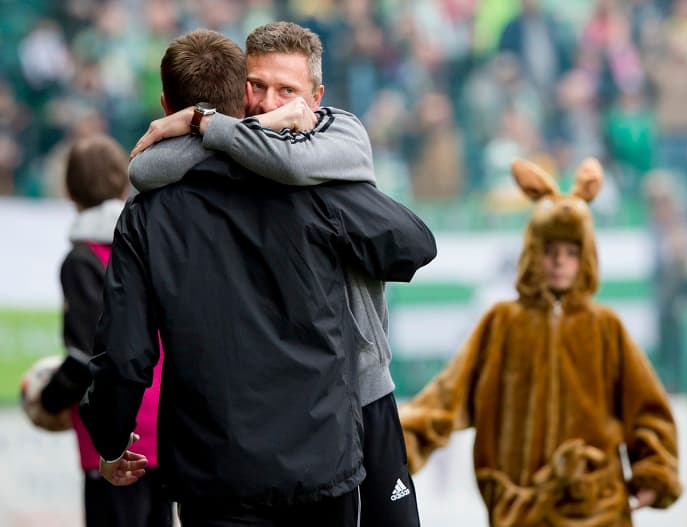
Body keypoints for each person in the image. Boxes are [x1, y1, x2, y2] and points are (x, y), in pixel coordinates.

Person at [78, 28, 437, 527]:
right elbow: (412, 247)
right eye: (259, 88)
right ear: (241, 97)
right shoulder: (317, 190)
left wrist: (111, 439)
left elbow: (125, 354)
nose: (270, 104)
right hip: (322, 463)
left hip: (215, 472)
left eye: (286, 93)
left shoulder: (149, 212)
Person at [399, 158, 682, 526]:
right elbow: (445, 401)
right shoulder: (501, 324)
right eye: (551, 252)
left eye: (570, 253)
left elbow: (647, 408)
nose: (559, 263)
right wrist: (398, 448)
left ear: (586, 258)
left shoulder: (605, 328)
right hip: (520, 510)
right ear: (534, 253)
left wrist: (653, 472)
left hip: (595, 508)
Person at [31, 134, 171, 526]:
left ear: (70, 190)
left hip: (114, 431)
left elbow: (84, 357)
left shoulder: (81, 259)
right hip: (163, 421)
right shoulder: (150, 241)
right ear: (123, 183)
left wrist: (48, 400)